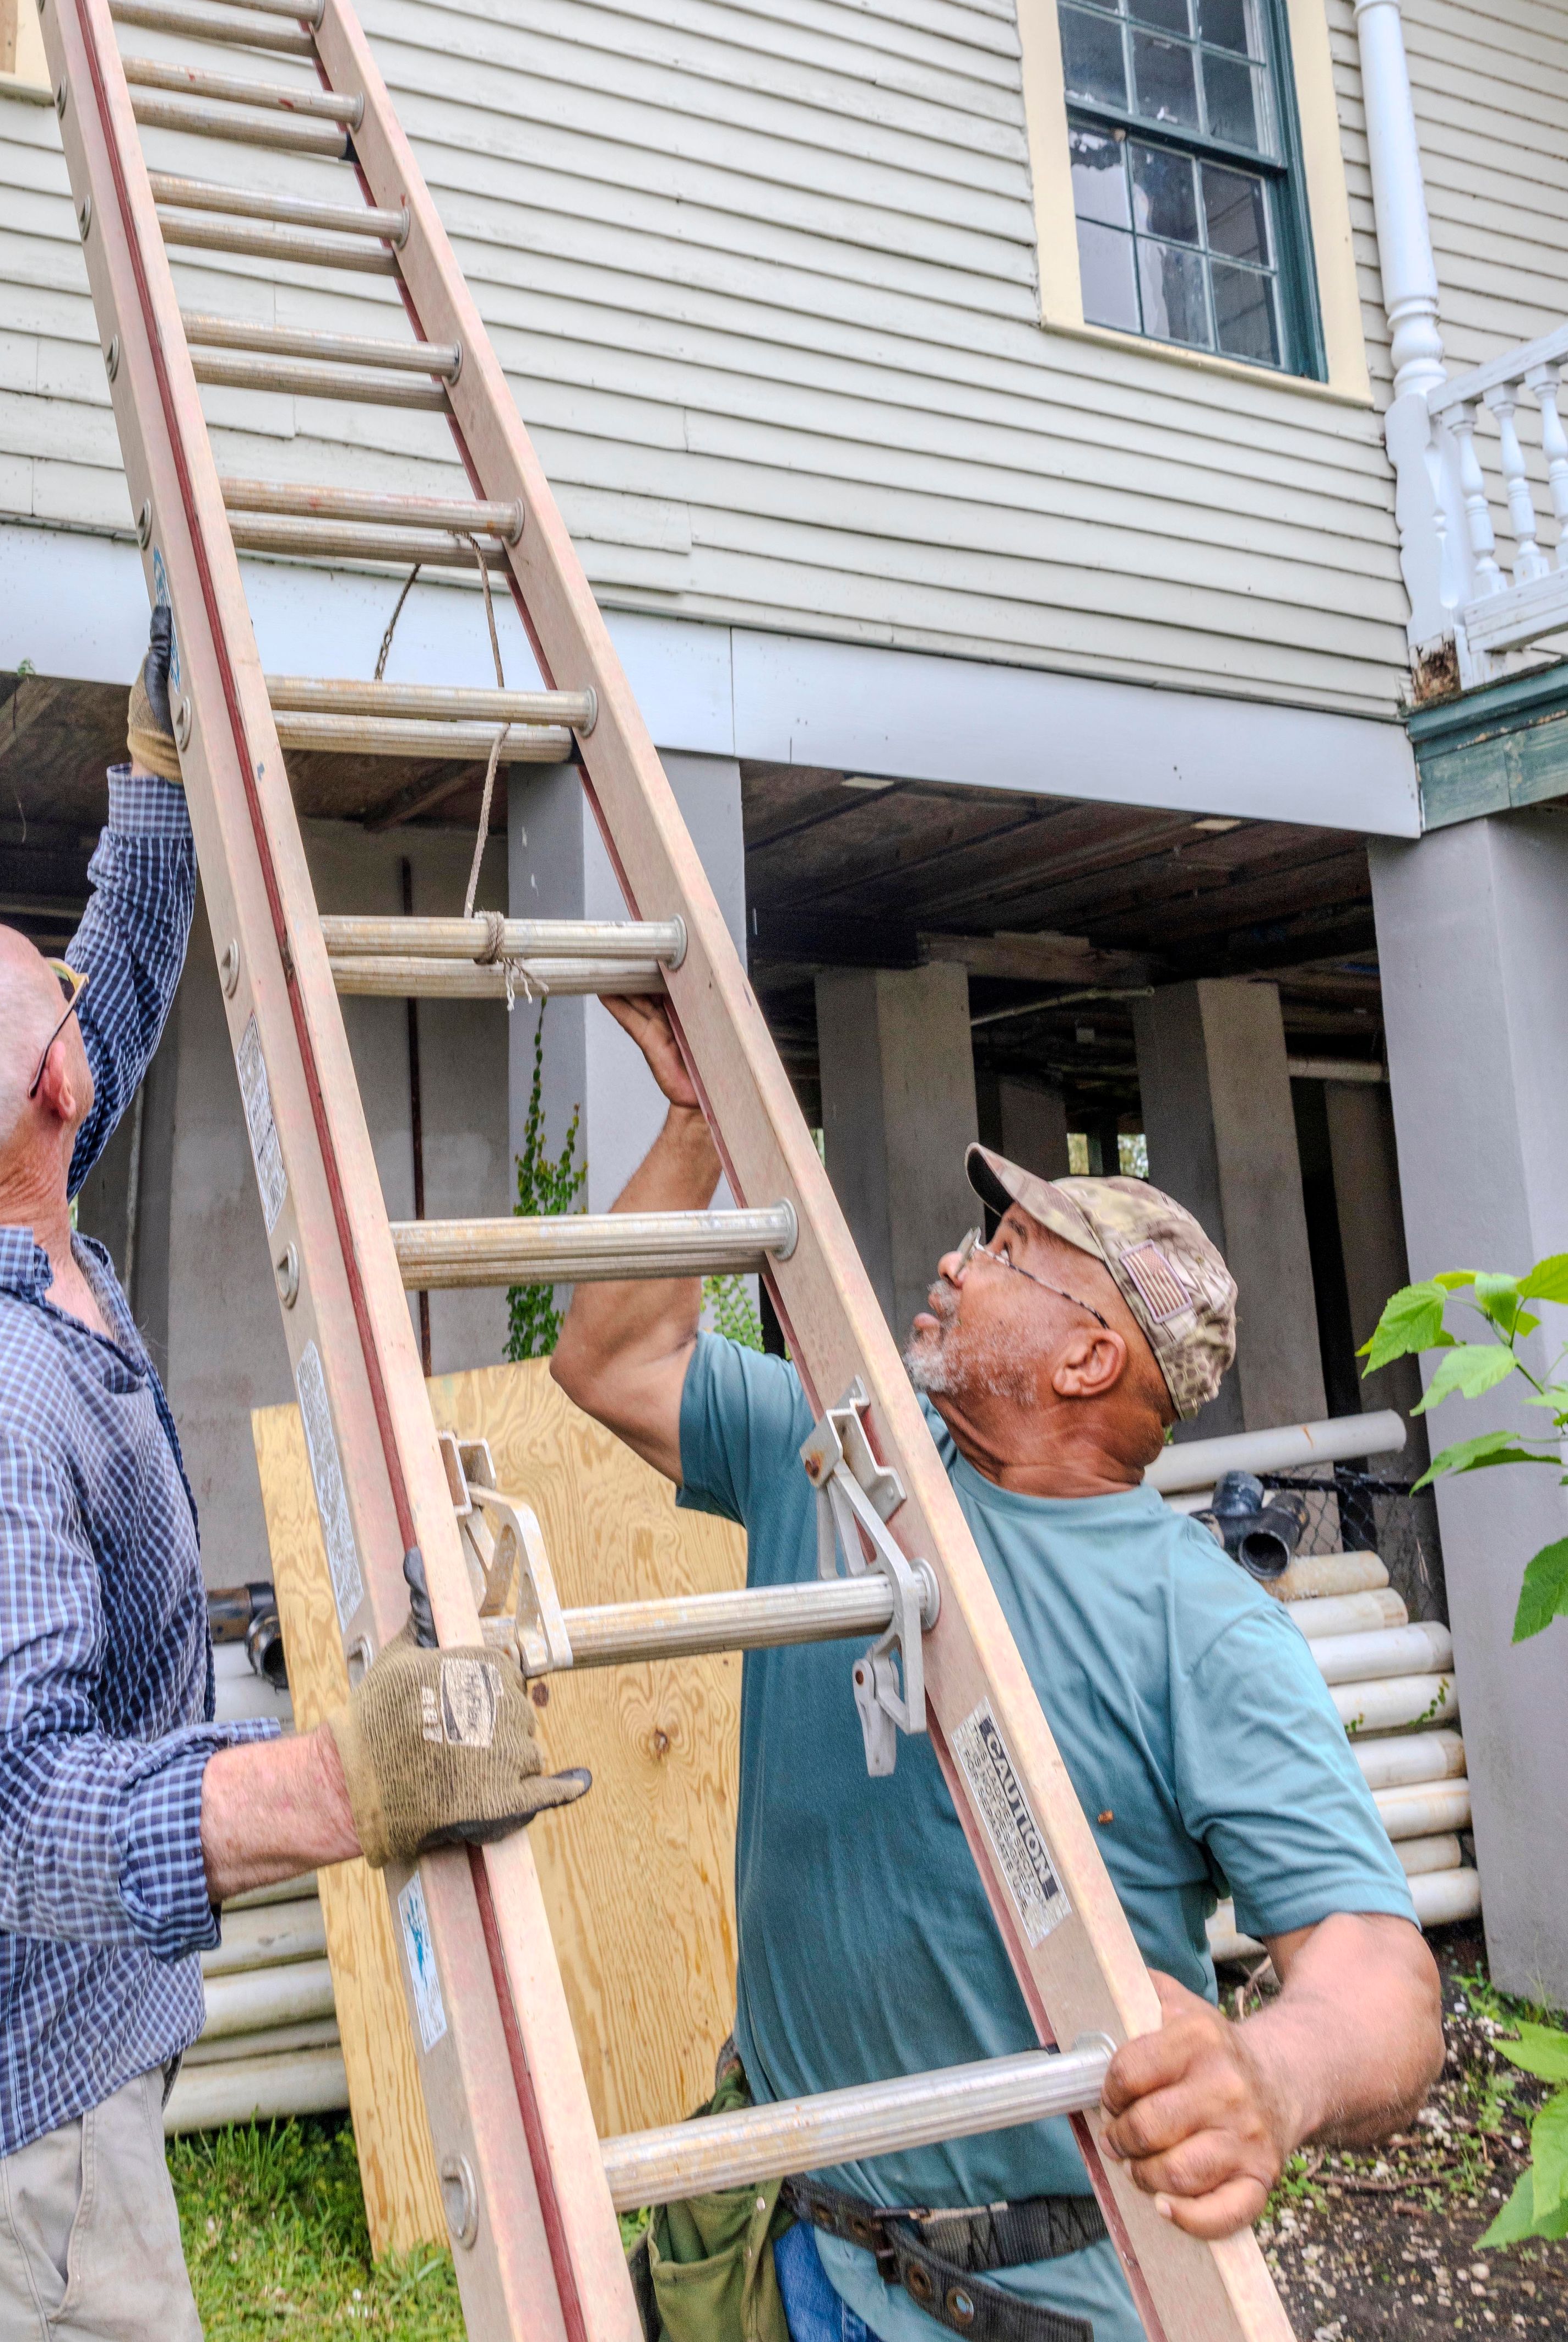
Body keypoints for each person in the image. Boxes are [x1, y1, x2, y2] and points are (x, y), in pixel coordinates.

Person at [0, 620, 583, 2342]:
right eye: (59, 1014)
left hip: (11, 2094)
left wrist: (153, 774)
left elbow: (106, 994)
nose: (84, 1020)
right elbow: (15, 1809)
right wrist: (355, 1782)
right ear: (47, 1090)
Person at [552, 996, 1444, 2342]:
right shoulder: (845, 1457)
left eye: (1012, 1250)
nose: (960, 1259)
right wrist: (692, 1123)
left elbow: (1381, 1976)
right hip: (795, 2246)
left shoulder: (1193, 1624)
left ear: (1091, 1356)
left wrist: (1271, 2071)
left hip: (1026, 2300)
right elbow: (612, 1356)